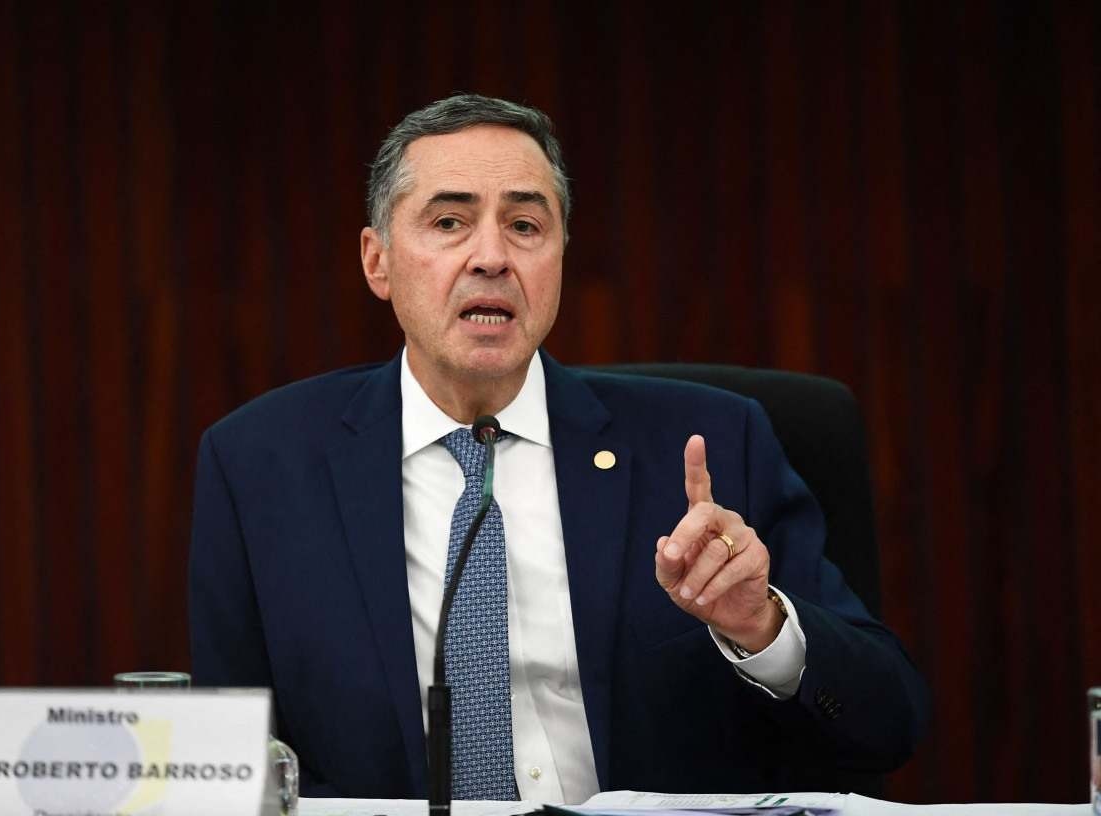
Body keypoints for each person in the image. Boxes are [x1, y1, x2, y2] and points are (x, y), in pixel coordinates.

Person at [189, 94, 928, 803]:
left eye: (525, 226)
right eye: (449, 222)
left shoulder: (710, 446)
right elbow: (232, 767)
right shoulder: (260, 467)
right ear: (377, 261)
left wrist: (761, 626)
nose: (491, 257)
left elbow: (889, 721)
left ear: (561, 256)